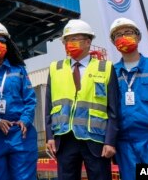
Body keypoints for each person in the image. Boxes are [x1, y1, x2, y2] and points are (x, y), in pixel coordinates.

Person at [45, 19, 119, 180]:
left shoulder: (105, 68)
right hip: (64, 138)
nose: (69, 43)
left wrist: (110, 141)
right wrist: (50, 136)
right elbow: (49, 107)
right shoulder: (55, 69)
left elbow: (113, 110)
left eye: (74, 39)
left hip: (96, 139)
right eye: (67, 40)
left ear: (88, 42)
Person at [0, 22, 37, 180]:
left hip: (19, 133)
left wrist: (25, 120)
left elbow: (30, 99)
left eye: (2, 41)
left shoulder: (18, 70)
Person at [109, 17, 148, 180]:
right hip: (125, 144)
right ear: (114, 42)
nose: (123, 37)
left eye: (128, 32)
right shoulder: (111, 73)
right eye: (118, 35)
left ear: (138, 36)